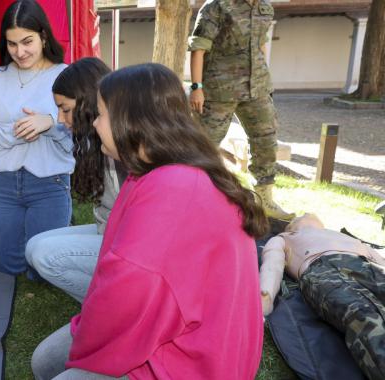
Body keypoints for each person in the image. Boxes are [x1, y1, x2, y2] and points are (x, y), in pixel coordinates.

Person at [31, 63, 268, 379]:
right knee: (45, 362)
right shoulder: (152, 171)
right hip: (175, 326)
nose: (95, 123)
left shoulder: (172, 187)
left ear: (130, 121)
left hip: (195, 358)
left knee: (60, 369)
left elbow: (126, 294)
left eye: (100, 114)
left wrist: (91, 341)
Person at [0, 0, 72, 277]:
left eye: (27, 42)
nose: (20, 52)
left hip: (50, 182)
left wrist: (49, 123)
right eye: (12, 44)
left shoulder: (66, 75)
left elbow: (80, 142)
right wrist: (16, 132)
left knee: (45, 269)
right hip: (0, 183)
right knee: (6, 269)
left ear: (44, 36)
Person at [24, 57, 120, 302]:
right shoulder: (92, 139)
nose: (61, 118)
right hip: (108, 231)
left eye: (65, 109)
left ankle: (112, 307)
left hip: (126, 243)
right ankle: (106, 301)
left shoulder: (121, 144)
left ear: (90, 102)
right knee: (36, 246)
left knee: (45, 255)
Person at [188, 0, 293, 220]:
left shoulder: (264, 7)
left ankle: (264, 199)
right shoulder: (218, 6)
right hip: (220, 90)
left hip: (257, 89)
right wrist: (197, 87)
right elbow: (198, 47)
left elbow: (260, 46)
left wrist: (266, 81)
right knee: (202, 146)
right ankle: (191, 196)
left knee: (266, 142)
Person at [259, 213, 385, 379]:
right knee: (363, 316)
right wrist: (264, 298)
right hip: (323, 268)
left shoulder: (340, 236)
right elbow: (272, 266)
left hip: (365, 264)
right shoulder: (284, 238)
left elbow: (379, 260)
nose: (302, 214)